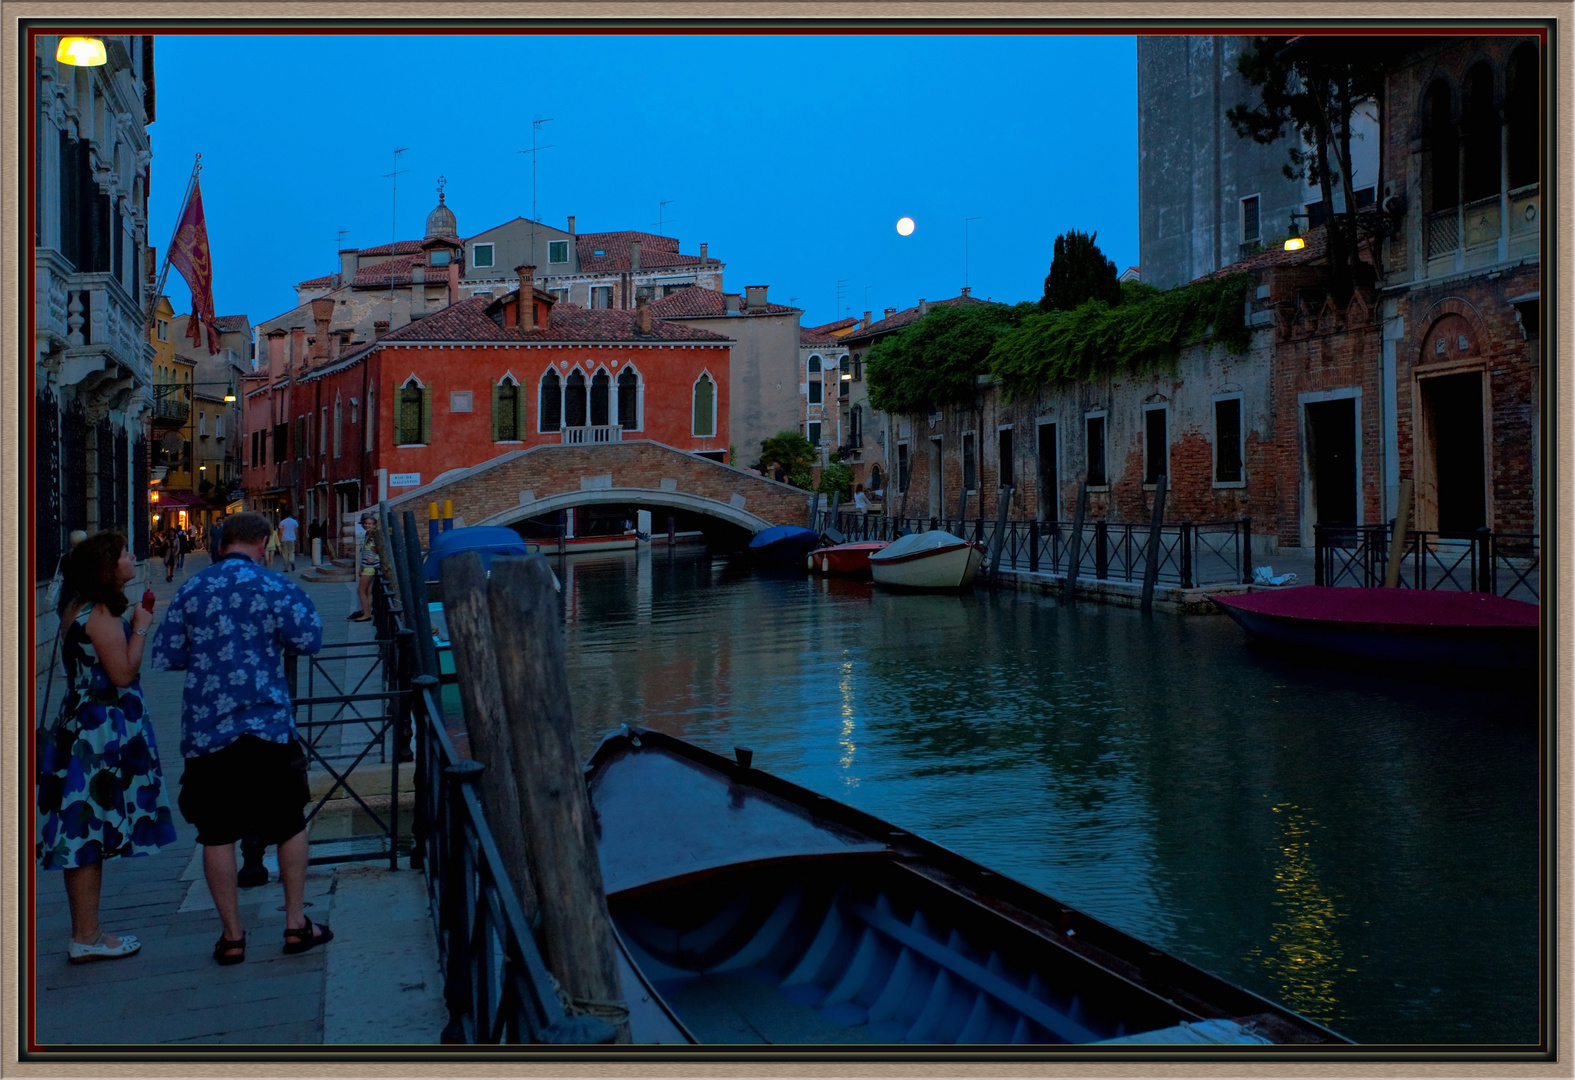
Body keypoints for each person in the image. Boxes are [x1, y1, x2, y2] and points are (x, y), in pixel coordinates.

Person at [150, 512, 329, 966]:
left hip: (209, 729)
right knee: (289, 822)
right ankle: (294, 924)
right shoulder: (275, 586)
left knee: (216, 833)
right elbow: (309, 639)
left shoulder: (193, 588)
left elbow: (167, 655)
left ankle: (232, 937)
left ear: (221, 543)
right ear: (264, 544)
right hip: (268, 726)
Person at [37, 531, 177, 963]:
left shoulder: (76, 608)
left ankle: (87, 932)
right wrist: (141, 628)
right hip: (99, 738)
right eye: (123, 553)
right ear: (108, 567)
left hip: (79, 728)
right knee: (85, 835)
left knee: (81, 835)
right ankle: (88, 936)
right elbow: (122, 674)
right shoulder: (100, 615)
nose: (132, 555)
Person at [349, 513, 379, 623]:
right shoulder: (368, 535)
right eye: (366, 523)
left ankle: (366, 614)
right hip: (369, 566)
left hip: (369, 567)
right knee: (368, 591)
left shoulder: (373, 536)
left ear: (375, 525)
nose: (367, 525)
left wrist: (370, 561)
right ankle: (367, 611)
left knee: (361, 590)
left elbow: (374, 550)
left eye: (370, 524)